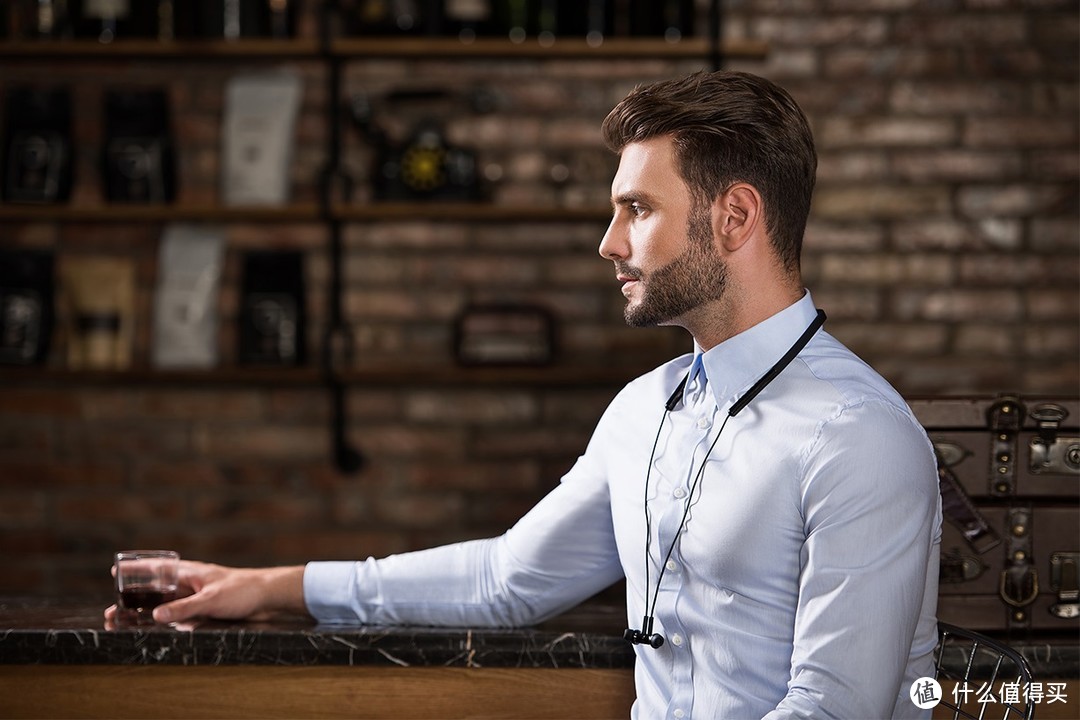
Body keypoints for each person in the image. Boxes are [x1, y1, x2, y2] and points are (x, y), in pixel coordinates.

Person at [106, 70, 942, 719]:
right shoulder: (644, 410)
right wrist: (270, 586)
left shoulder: (857, 434)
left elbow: (837, 708)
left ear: (734, 218)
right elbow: (508, 578)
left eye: (637, 209)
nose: (608, 242)